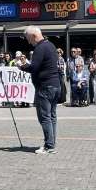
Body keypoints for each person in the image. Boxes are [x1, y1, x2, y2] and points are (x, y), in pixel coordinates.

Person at [19, 26, 60, 155]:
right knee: (52, 116)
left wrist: (22, 66)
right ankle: (51, 144)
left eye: (28, 38)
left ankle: (49, 146)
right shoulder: (51, 45)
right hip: (55, 85)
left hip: (45, 87)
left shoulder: (39, 48)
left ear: (33, 36)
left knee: (44, 117)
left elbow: (34, 68)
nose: (28, 41)